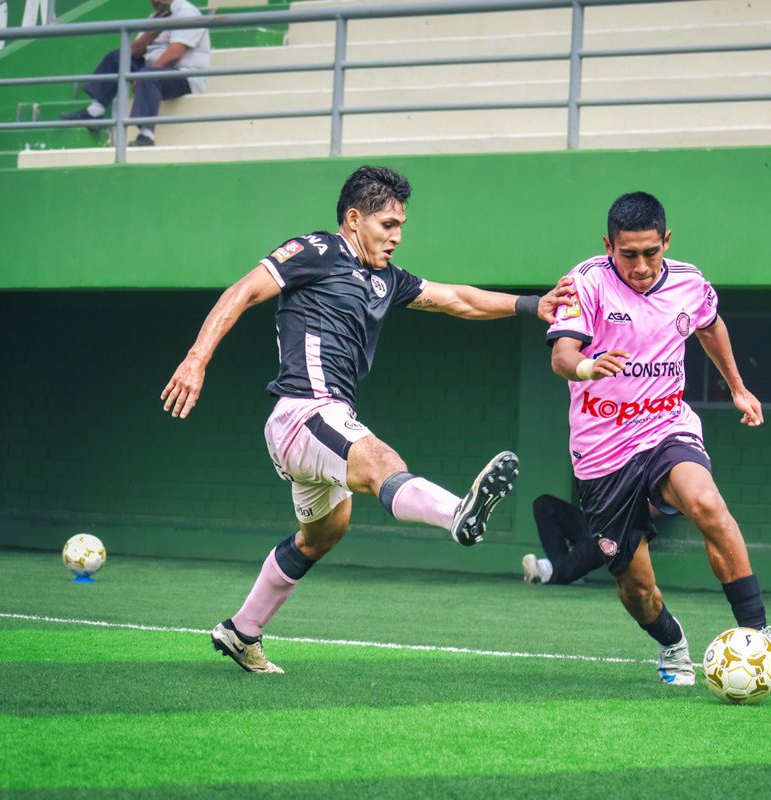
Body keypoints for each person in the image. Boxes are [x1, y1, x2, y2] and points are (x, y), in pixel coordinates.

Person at [161, 165, 569, 674]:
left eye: (401, 226)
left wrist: (533, 306)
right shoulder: (315, 251)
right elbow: (241, 292)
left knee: (322, 535)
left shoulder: (386, 279)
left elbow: (457, 300)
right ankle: (458, 513)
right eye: (388, 225)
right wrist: (197, 358)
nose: (397, 236)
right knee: (380, 460)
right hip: (303, 411)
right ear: (354, 220)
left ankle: (242, 631)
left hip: (327, 422)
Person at [545, 191, 771, 685]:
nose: (642, 265)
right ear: (609, 246)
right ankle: (672, 643)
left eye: (652, 252)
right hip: (603, 454)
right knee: (637, 589)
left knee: (706, 502)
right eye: (629, 254)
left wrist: (738, 387)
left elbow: (710, 327)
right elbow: (561, 354)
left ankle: (759, 632)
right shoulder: (586, 283)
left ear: (666, 241)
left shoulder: (689, 282)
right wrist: (587, 366)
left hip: (667, 426)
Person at [60, 0, 211, 147]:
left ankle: (146, 135)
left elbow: (175, 53)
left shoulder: (186, 11)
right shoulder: (156, 16)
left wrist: (142, 76)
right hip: (154, 71)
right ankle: (94, 112)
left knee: (149, 75)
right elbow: (133, 51)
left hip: (185, 76)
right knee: (118, 57)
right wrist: (152, 32)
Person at [522, 494, 657, 586]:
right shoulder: (605, 461)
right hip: (591, 518)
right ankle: (567, 571)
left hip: (620, 527)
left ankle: (553, 572)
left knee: (602, 529)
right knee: (544, 504)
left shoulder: (647, 464)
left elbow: (656, 506)